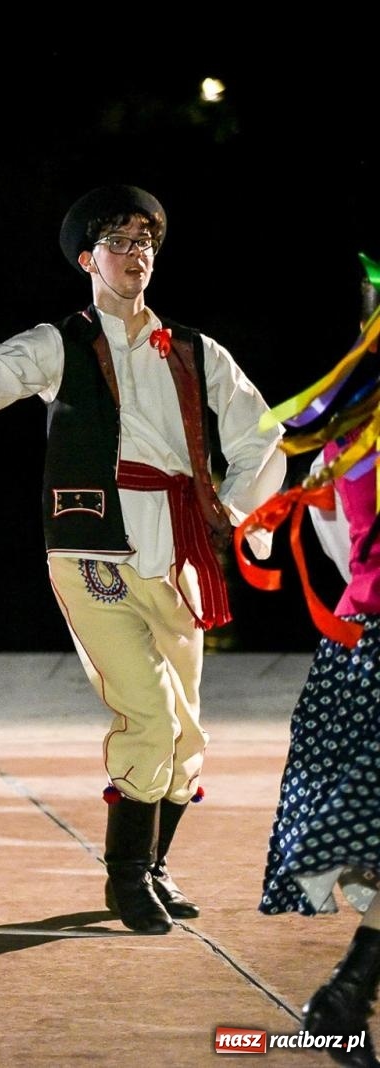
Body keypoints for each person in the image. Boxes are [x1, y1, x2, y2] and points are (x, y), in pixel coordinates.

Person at [0, 185, 286, 934]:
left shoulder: (198, 351)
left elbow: (260, 436)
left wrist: (236, 512)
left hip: (178, 552)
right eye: (119, 241)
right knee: (145, 711)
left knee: (186, 731)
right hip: (92, 549)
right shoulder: (59, 343)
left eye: (145, 241)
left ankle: (153, 864)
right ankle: (125, 880)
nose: (136, 253)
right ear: (88, 258)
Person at [252, 276, 380, 1066]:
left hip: (360, 646)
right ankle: (343, 996)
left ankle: (345, 997)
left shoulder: (342, 435)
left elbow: (330, 549)